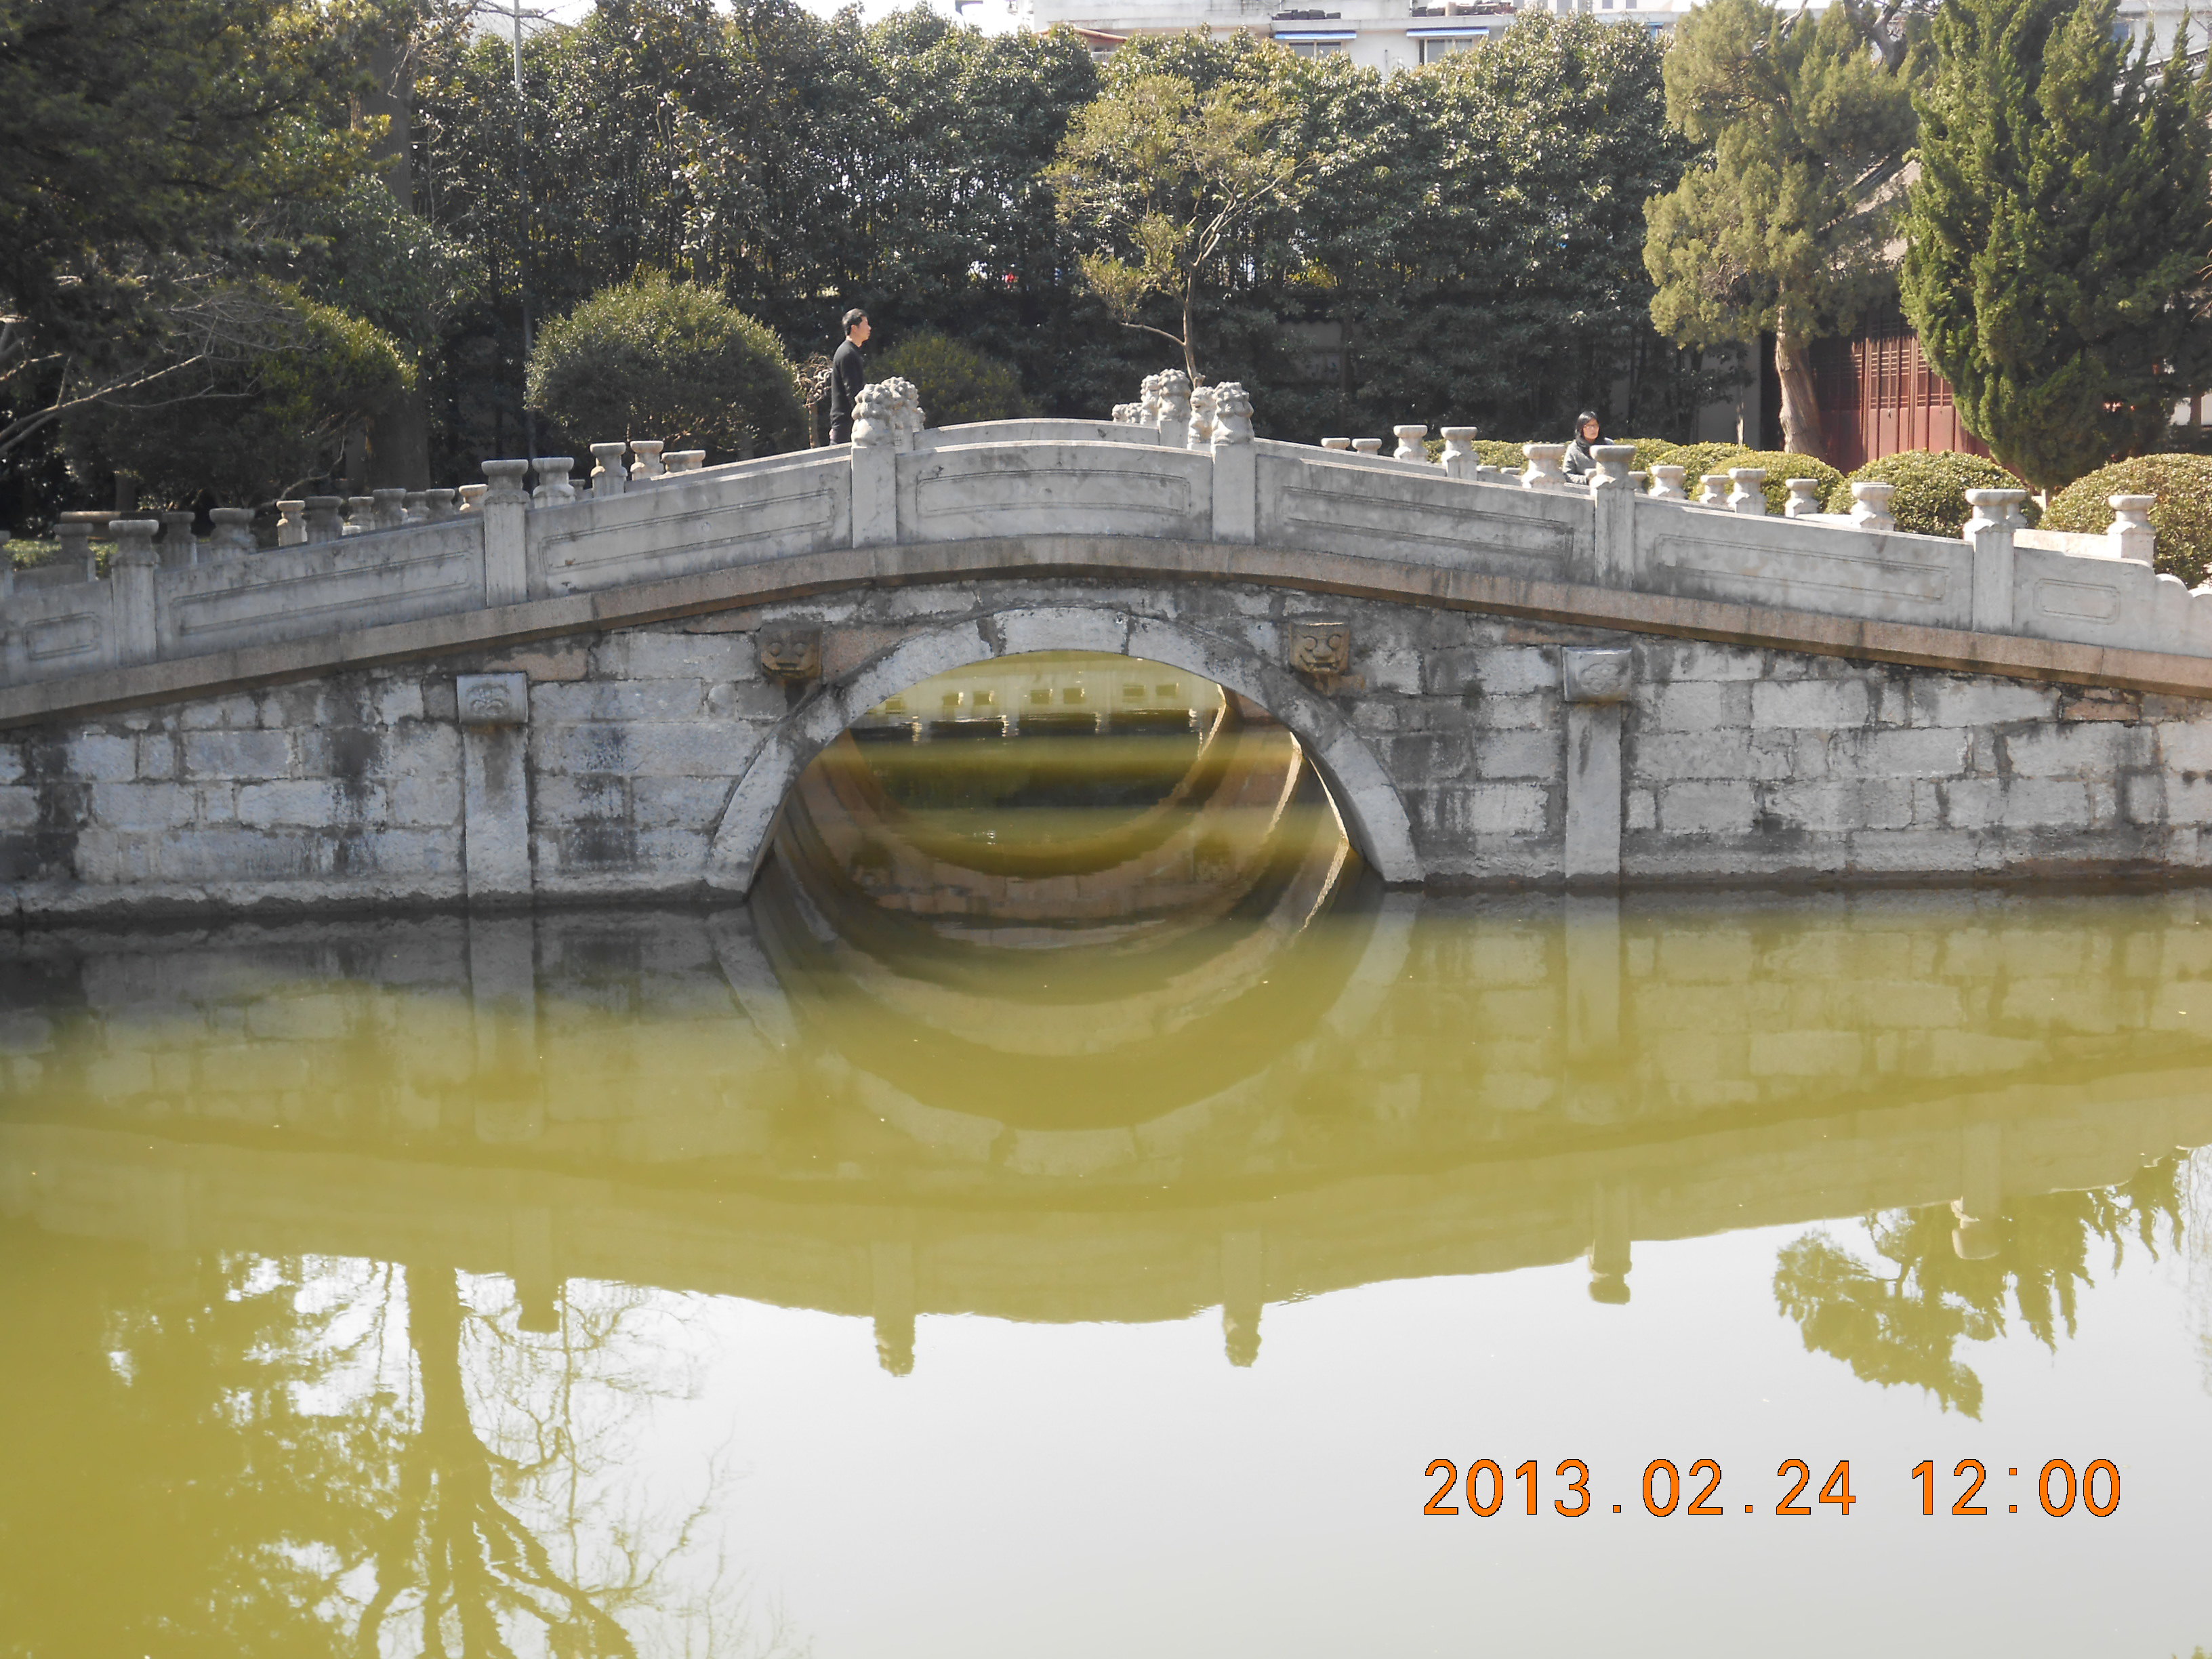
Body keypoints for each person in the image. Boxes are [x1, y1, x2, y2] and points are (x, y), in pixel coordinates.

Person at [826, 308, 871, 443]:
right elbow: (853, 393)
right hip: (846, 425)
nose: (869, 328)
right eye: (866, 324)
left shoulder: (851, 351)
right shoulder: (848, 353)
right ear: (854, 328)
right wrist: (865, 419)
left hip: (846, 423)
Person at [1562, 411, 1605, 478]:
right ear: (1581, 428)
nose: (1593, 429)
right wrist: (1587, 480)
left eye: (1595, 425)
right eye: (1589, 426)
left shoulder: (1608, 445)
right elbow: (1567, 474)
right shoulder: (1574, 448)